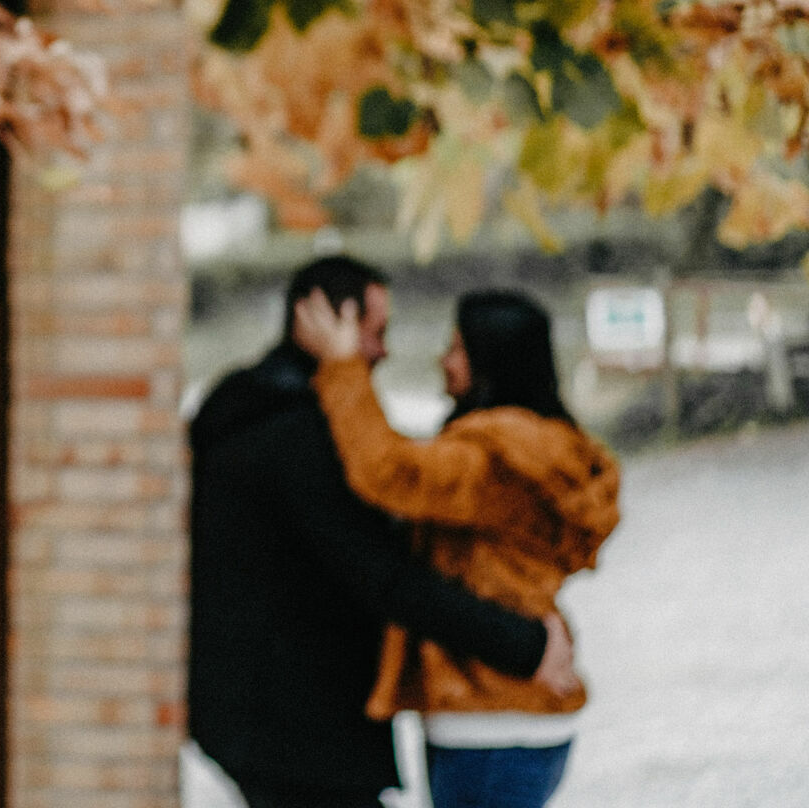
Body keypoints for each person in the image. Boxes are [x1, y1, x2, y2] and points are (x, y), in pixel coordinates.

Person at [189, 256, 577, 808]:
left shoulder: (244, 404)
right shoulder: (301, 432)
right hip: (299, 730)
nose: (386, 351)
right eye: (375, 333)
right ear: (327, 321)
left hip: (272, 719)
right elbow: (384, 573)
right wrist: (526, 645)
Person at [293, 287, 620, 808]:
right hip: (517, 717)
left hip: (489, 715)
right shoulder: (546, 444)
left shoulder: (499, 460)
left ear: (492, 361)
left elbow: (389, 472)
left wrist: (341, 367)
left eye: (457, 348)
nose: (444, 362)